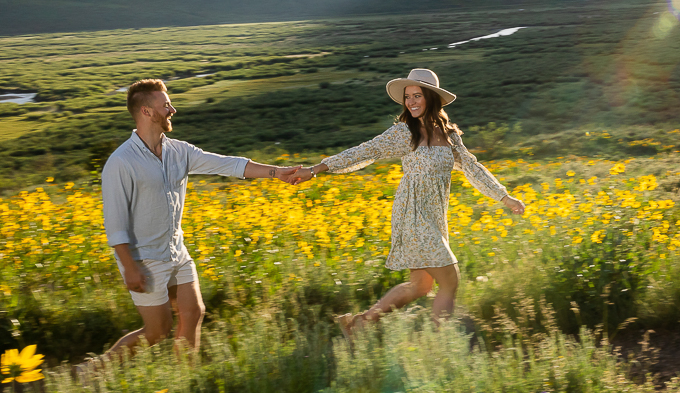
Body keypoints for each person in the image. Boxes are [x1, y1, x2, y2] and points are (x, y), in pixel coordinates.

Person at [287, 68, 524, 332]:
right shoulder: (404, 133)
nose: (410, 102)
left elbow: (472, 168)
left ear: (432, 98)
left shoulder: (449, 135)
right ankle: (442, 347)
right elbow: (365, 150)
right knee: (449, 282)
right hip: (412, 215)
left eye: (417, 96)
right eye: (407, 97)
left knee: (420, 286)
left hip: (434, 216)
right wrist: (317, 169)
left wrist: (504, 197)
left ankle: (358, 324)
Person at [99, 79, 301, 359]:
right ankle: (92, 371)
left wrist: (276, 172)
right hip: (143, 258)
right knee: (157, 331)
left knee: (193, 312)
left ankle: (185, 378)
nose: (173, 109)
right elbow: (115, 222)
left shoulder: (179, 151)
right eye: (165, 105)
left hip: (176, 251)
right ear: (146, 111)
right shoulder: (121, 162)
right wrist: (129, 267)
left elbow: (228, 164)